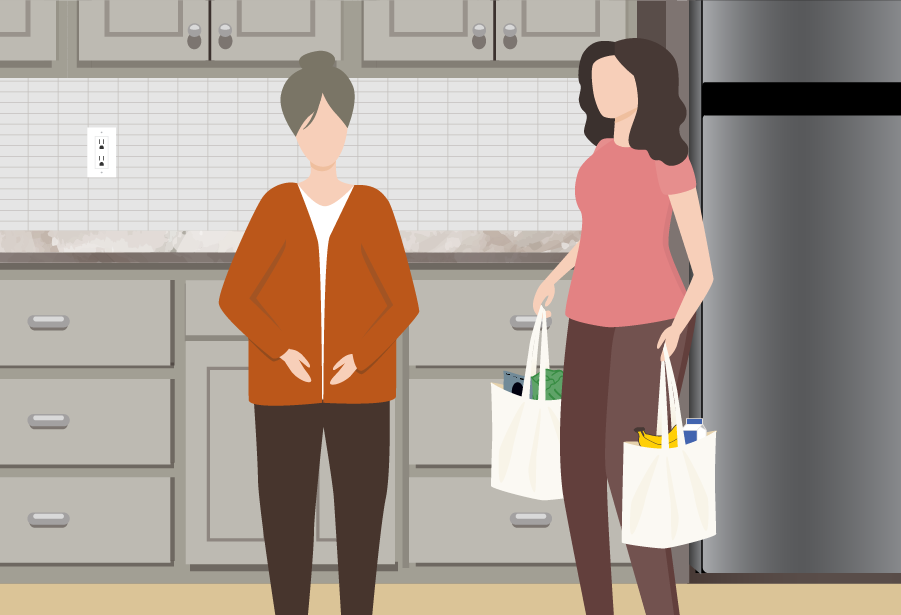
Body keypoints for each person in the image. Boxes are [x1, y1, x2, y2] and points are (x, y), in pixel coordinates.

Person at [219, 50, 419, 615]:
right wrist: (281, 350)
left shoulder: (373, 207)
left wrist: (359, 356)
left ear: (347, 129)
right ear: (296, 132)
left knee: (360, 525)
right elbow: (235, 295)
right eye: (311, 125)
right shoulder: (276, 206)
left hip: (362, 390)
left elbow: (402, 301)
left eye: (332, 124)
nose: (323, 137)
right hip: (285, 393)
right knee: (286, 525)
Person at [532, 38, 714, 615]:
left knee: (633, 482)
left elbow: (704, 270)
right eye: (597, 83)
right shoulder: (596, 159)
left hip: (648, 328)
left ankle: (661, 607)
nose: (603, 91)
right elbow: (597, 236)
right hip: (586, 323)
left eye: (616, 81)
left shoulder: (668, 162)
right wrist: (555, 276)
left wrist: (676, 329)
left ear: (646, 86)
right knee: (578, 475)